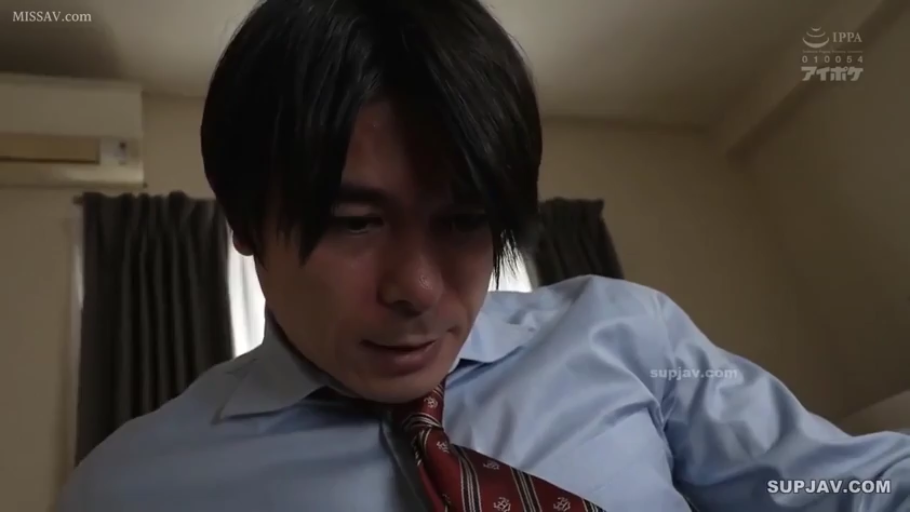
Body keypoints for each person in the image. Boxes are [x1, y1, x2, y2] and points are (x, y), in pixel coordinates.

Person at [57, 0, 910, 510]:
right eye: (355, 223)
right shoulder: (131, 488)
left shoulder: (624, 334)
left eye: (465, 221)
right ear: (246, 225)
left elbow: (844, 487)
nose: (419, 288)